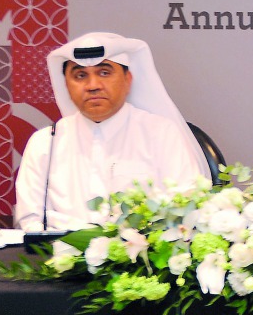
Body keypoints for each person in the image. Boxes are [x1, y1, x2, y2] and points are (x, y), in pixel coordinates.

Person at [14, 33, 210, 231]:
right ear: (66, 84)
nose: (93, 86)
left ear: (128, 79)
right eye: (80, 76)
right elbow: (30, 220)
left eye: (104, 73)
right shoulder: (45, 142)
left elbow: (185, 208)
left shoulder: (161, 134)